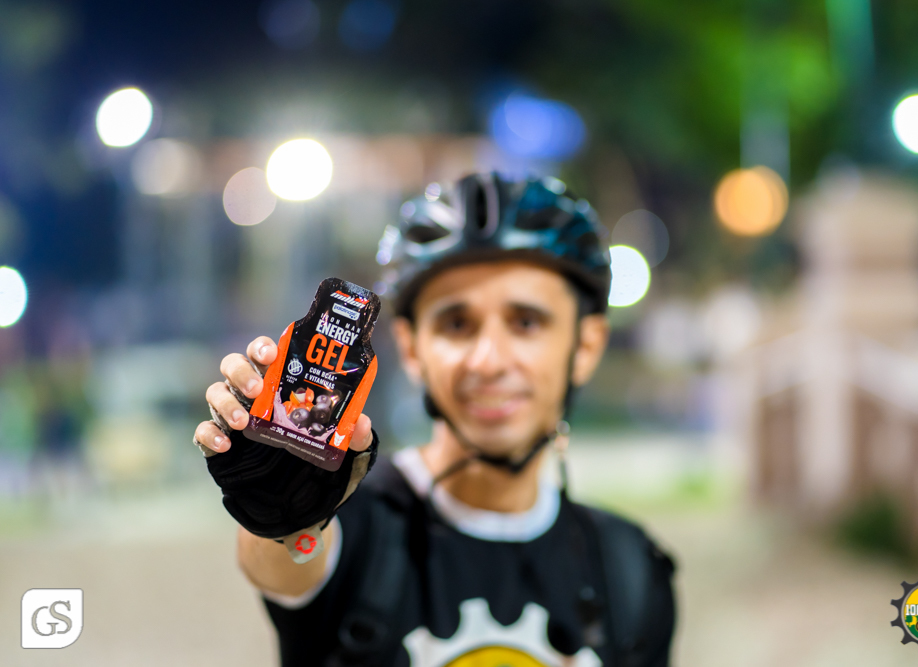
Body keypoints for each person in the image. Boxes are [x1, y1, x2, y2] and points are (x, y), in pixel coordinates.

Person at [194, 172, 677, 666]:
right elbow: (287, 564)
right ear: (411, 347)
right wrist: (284, 516)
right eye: (456, 324)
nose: (489, 360)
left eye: (526, 322)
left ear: (587, 344)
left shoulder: (629, 570)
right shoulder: (351, 516)